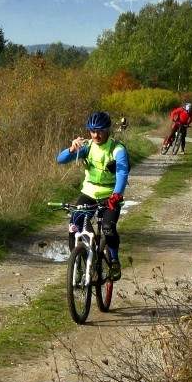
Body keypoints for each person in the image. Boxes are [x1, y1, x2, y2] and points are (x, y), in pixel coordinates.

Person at [56, 111, 130, 281]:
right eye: (92, 131)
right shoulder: (87, 146)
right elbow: (60, 159)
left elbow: (122, 173)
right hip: (89, 193)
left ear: (108, 130)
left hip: (110, 195)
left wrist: (116, 195)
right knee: (74, 225)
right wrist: (72, 149)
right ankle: (78, 264)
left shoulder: (117, 149)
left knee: (108, 228)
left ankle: (114, 261)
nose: (96, 135)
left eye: (100, 131)